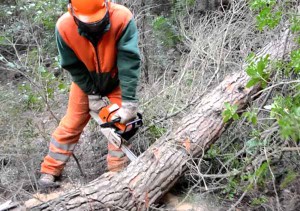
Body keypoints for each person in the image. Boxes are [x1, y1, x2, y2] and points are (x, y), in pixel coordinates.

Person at [38, 0, 141, 188]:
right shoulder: (64, 26)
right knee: (71, 124)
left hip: (115, 78)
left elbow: (129, 61)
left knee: (121, 124)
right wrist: (92, 93)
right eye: (88, 23)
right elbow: (73, 65)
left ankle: (118, 172)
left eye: (96, 22)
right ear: (72, 11)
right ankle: (49, 171)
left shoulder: (122, 18)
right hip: (85, 82)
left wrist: (129, 102)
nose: (93, 26)